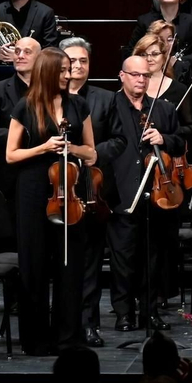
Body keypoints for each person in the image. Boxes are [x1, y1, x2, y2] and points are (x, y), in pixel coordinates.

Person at [5, 48, 97, 354]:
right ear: (46, 72)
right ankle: (35, 339)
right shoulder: (25, 106)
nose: (68, 75)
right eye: (62, 71)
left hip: (68, 190)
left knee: (68, 265)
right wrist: (44, 147)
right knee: (35, 264)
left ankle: (67, 337)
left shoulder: (78, 104)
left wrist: (72, 147)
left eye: (69, 69)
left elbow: (92, 152)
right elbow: (11, 154)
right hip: (32, 190)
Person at [107, 55, 186, 332]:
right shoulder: (110, 106)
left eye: (145, 75)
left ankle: (149, 312)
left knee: (152, 259)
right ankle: (123, 313)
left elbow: (179, 143)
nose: (141, 80)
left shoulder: (162, 109)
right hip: (122, 192)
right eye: (135, 75)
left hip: (156, 193)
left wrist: (163, 138)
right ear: (122, 76)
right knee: (123, 258)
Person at [61, 37, 123, 348]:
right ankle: (61, 323)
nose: (78, 66)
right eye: (72, 60)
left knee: (90, 263)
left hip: (92, 191)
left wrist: (90, 153)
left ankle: (88, 324)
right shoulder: (49, 98)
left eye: (84, 61)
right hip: (56, 192)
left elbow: (119, 139)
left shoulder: (106, 98)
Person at [0, 37, 39, 203]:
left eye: (27, 52)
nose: (20, 56)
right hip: (6, 173)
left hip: (39, 171)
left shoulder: (48, 89)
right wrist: (20, 136)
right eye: (17, 51)